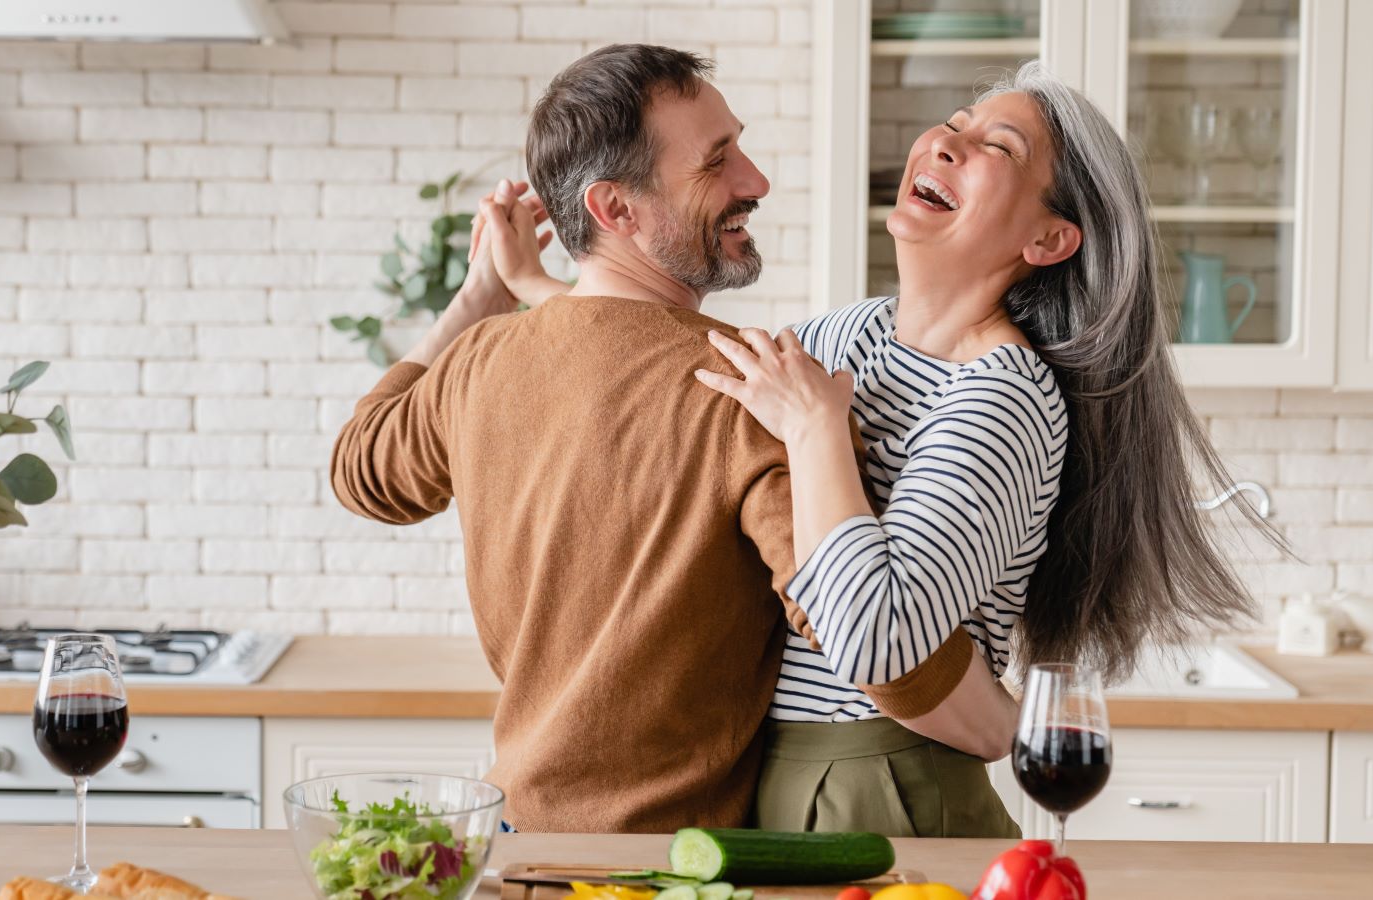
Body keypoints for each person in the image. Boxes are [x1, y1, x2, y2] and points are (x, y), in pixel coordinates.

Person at [483, 61, 1271, 837]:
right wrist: (538, 287)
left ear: (1048, 237)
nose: (946, 143)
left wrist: (819, 431)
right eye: (956, 124)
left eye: (998, 148)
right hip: (773, 776)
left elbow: (877, 640)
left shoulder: (1003, 398)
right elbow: (683, 370)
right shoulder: (847, 334)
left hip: (886, 784)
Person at [329, 44, 985, 835]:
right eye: (716, 163)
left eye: (737, 144)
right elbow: (877, 645)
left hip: (511, 843)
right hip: (661, 870)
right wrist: (1017, 728)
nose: (755, 180)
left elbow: (360, 470)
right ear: (616, 210)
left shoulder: (479, 362)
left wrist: (479, 297)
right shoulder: (746, 392)